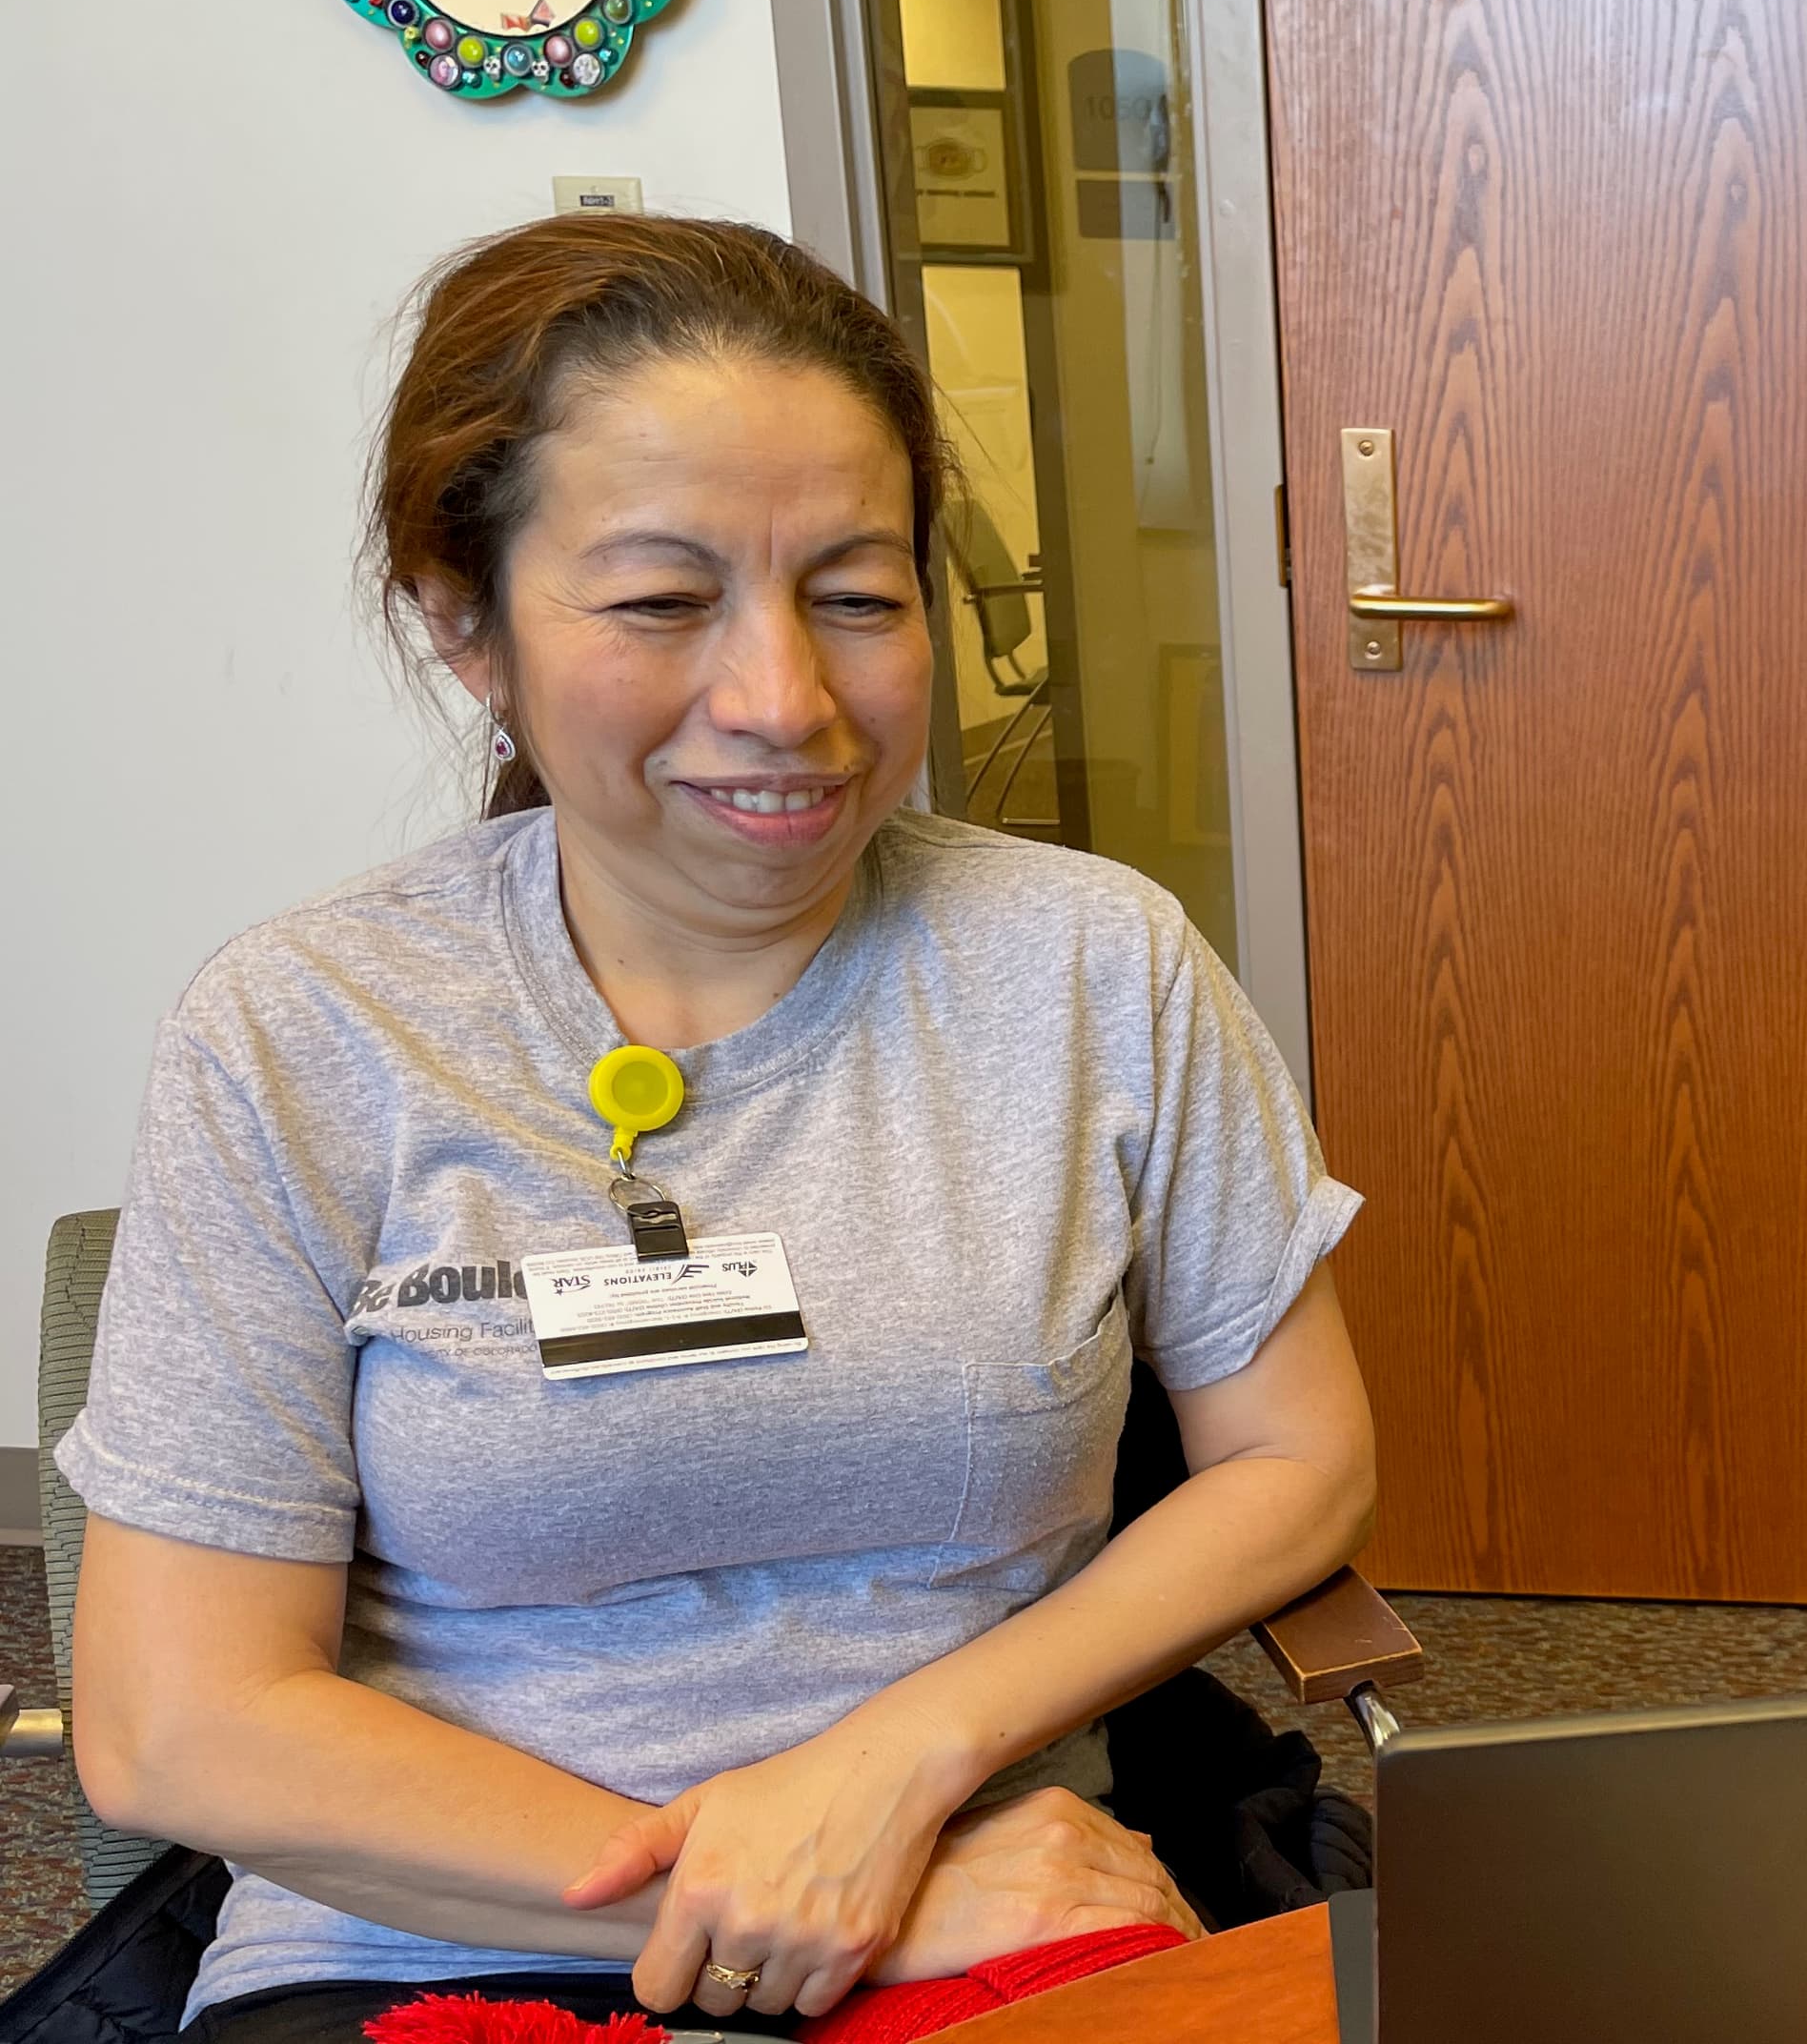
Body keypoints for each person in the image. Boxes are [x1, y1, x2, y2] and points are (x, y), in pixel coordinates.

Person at [58, 215, 1376, 2039]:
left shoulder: (1089, 965)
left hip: (1001, 1893)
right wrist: (776, 1905)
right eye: (665, 603)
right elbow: (169, 1722)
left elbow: (1295, 1459)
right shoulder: (305, 1030)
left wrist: (898, 1776)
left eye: (856, 593)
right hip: (450, 1942)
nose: (786, 703)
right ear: (465, 622)